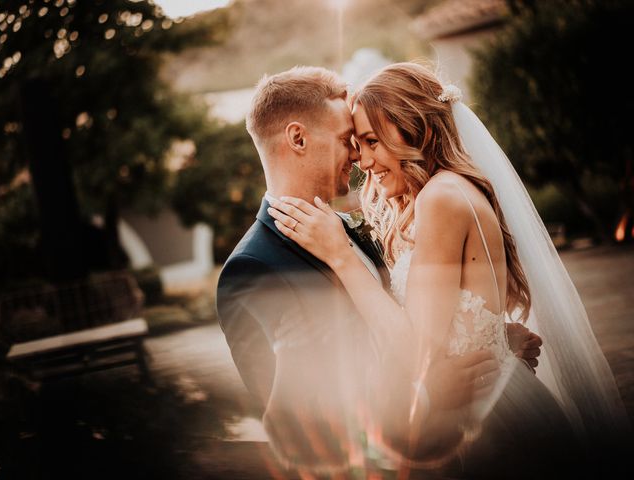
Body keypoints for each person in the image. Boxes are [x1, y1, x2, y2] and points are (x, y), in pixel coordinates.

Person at [268, 62, 631, 478]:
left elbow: (419, 353)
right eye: (356, 143)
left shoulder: (440, 198)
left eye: (371, 141)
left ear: (415, 130)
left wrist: (341, 257)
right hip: (492, 399)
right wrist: (499, 341)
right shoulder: (451, 189)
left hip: (491, 424)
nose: (362, 162)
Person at [216, 66, 543, 476]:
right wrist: (426, 394)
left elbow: (416, 313)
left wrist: (486, 340)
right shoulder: (254, 268)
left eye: (366, 142)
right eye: (347, 141)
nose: (358, 157)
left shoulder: (353, 229)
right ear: (298, 138)